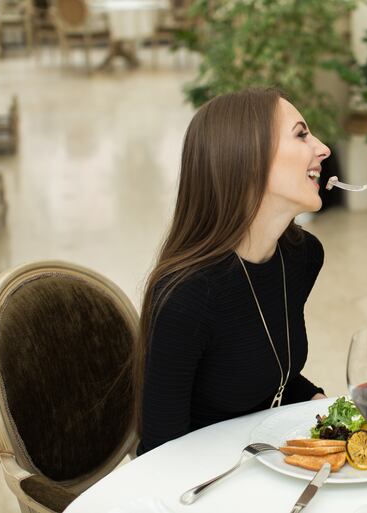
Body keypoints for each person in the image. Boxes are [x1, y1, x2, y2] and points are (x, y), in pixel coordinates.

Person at [134, 88, 330, 455]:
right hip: (202, 481)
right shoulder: (187, 295)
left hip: (266, 456)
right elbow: (160, 451)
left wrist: (314, 398)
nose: (323, 148)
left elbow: (266, 368)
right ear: (249, 159)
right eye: (302, 134)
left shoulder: (302, 257)